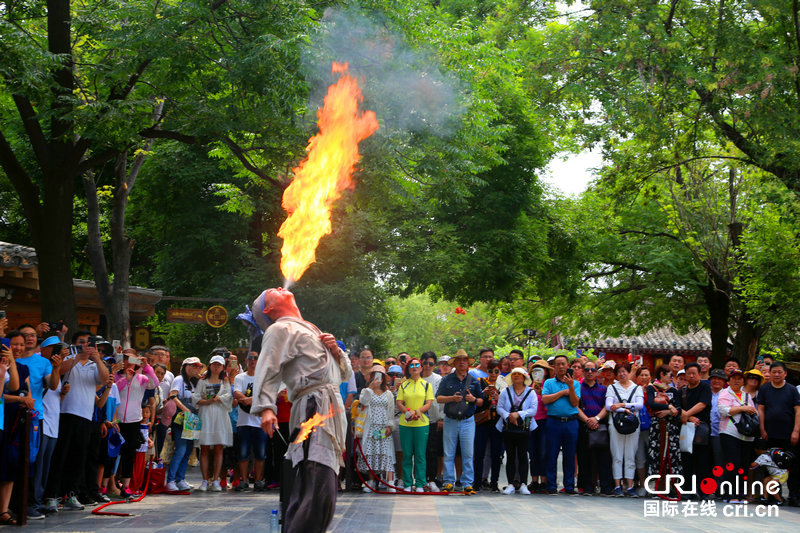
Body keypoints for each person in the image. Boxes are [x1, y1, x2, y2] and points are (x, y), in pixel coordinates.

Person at [251, 288, 351, 533]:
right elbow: (268, 366)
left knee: (320, 479)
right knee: (317, 478)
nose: (279, 287)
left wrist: (337, 352)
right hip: (313, 406)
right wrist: (266, 407)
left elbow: (344, 374)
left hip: (329, 404)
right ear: (268, 309)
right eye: (270, 292)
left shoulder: (311, 327)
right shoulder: (279, 328)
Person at [46, 332, 109, 510]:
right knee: (61, 456)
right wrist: (77, 356)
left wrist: (96, 359)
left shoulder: (95, 364)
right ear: (74, 344)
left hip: (85, 416)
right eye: (82, 342)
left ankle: (71, 494)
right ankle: (52, 495)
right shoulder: (69, 359)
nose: (86, 346)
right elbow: (62, 371)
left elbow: (104, 380)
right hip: (66, 413)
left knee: (79, 457)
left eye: (89, 343)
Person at [436, 349, 484, 494]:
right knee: (448, 452)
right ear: (455, 363)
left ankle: (467, 483)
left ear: (467, 363)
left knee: (468, 453)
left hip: (468, 420)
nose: (462, 362)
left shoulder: (474, 381)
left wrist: (473, 400)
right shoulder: (446, 379)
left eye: (464, 360)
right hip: (450, 419)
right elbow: (438, 398)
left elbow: (481, 401)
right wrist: (451, 398)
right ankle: (448, 481)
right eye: (459, 360)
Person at [114, 349, 158, 498]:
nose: (129, 363)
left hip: (134, 420)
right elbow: (114, 390)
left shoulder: (141, 378)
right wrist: (125, 378)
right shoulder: (116, 376)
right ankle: (107, 484)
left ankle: (126, 486)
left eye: (133, 360)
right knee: (112, 453)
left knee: (129, 453)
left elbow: (154, 384)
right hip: (117, 420)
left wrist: (147, 367)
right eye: (127, 360)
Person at [756, 361, 800, 506]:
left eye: (779, 372)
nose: (776, 374)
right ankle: (772, 496)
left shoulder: (792, 390)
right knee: (771, 466)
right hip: (770, 434)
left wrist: (796, 430)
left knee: (792, 466)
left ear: (785, 374)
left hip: (788, 435)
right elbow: (761, 409)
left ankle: (794, 496)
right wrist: (762, 428)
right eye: (773, 371)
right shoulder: (764, 389)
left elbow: (798, 411)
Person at [193, 354, 233, 492]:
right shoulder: (203, 382)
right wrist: (208, 401)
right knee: (204, 448)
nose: (216, 367)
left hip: (220, 415)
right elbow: (196, 397)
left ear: (222, 367)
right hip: (206, 415)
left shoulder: (224, 382)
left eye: (219, 365)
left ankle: (215, 479)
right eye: (214, 364)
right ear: (210, 366)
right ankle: (205, 479)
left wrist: (218, 398)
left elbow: (228, 397)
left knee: (218, 448)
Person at [542, 355, 581, 494]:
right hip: (554, 422)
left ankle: (569, 486)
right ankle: (551, 486)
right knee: (551, 454)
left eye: (563, 364)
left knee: (570, 455)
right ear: (554, 367)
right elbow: (545, 399)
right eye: (558, 364)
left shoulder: (575, 384)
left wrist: (570, 387)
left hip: (571, 422)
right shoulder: (548, 383)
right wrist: (562, 392)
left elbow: (575, 403)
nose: (561, 367)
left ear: (567, 366)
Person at [717, 368, 757, 503]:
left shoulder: (747, 396)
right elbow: (723, 410)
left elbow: (753, 411)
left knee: (743, 465)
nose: (737, 380)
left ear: (743, 381)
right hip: (729, 433)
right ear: (728, 380)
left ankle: (740, 493)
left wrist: (748, 409)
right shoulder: (724, 393)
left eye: (739, 378)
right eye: (734, 378)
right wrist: (743, 408)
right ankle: (729, 494)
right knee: (731, 464)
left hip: (747, 435)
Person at [165, 357, 203, 492]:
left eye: (199, 366)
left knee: (188, 450)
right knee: (180, 449)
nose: (197, 368)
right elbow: (173, 395)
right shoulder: (179, 379)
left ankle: (180, 479)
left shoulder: (194, 383)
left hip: (192, 419)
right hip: (181, 418)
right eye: (194, 366)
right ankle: (170, 480)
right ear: (186, 366)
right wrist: (185, 409)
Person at [497, 367, 538, 494]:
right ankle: (510, 484)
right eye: (514, 374)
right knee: (510, 455)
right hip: (508, 427)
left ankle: (524, 483)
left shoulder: (530, 392)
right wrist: (509, 416)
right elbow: (500, 408)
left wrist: (518, 414)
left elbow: (533, 410)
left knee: (523, 455)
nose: (516, 377)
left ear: (524, 378)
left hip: (524, 428)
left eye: (519, 375)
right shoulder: (505, 391)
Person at [396, 357, 433, 492]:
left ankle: (420, 483)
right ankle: (407, 483)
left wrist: (416, 412)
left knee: (420, 455)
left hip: (421, 424)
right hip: (405, 423)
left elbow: (428, 403)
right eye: (412, 365)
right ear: (408, 369)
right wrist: (408, 413)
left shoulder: (427, 385)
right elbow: (399, 402)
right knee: (406, 454)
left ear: (422, 368)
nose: (415, 367)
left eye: (417, 365)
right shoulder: (403, 385)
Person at [605, 363, 643, 497]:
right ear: (617, 374)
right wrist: (625, 409)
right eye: (619, 372)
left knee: (630, 455)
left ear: (629, 372)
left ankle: (630, 485)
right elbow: (609, 406)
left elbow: (640, 405)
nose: (622, 374)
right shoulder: (612, 388)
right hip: (616, 424)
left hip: (632, 424)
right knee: (617, 454)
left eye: (624, 371)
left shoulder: (637, 388)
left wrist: (622, 405)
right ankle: (617, 486)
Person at [233, 351, 269, 492]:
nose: (253, 360)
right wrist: (248, 399)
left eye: (255, 358)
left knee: (260, 453)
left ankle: (259, 480)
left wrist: (249, 400)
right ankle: (244, 480)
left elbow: (265, 395)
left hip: (260, 421)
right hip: (244, 421)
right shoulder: (240, 377)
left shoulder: (264, 378)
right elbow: (236, 393)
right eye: (250, 358)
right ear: (246, 360)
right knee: (243, 453)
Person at [577, 359, 613, 497]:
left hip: (600, 426)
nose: (590, 372)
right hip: (584, 425)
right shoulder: (578, 388)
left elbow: (607, 407)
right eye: (586, 369)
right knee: (584, 458)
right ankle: (587, 487)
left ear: (597, 372)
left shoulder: (604, 389)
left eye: (593, 370)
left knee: (604, 458)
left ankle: (606, 487)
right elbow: (576, 406)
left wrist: (596, 419)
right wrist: (587, 420)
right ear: (583, 371)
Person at [358, 368, 397, 492]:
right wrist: (370, 387)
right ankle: (371, 481)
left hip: (383, 426)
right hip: (370, 426)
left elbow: (391, 410)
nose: (378, 378)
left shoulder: (388, 393)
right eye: (375, 375)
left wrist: (390, 425)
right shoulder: (366, 391)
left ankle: (390, 481)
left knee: (387, 453)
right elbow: (363, 402)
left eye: (380, 375)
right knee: (371, 453)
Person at [645, 365, 683, 484]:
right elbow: (651, 403)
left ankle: (672, 485)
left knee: (672, 455)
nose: (672, 378)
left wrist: (668, 411)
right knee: (655, 453)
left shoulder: (673, 390)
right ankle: (655, 484)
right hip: (656, 425)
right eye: (670, 375)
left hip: (671, 426)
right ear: (662, 374)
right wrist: (668, 406)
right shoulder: (651, 388)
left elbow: (679, 408)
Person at [680, 362, 712, 496]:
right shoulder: (682, 390)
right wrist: (687, 416)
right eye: (689, 373)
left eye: (694, 373)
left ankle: (703, 490)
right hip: (686, 428)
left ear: (700, 374)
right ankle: (688, 490)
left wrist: (687, 414)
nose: (692, 376)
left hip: (701, 428)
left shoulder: (705, 387)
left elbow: (703, 404)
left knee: (702, 460)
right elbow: (676, 407)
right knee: (687, 459)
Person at [474, 359, 505, 492]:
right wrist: (484, 394)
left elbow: (508, 404)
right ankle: (477, 481)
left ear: (500, 371)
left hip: (497, 422)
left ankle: (494, 482)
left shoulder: (503, 384)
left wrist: (499, 397)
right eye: (491, 371)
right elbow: (475, 401)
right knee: (479, 452)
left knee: (496, 453)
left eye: (496, 371)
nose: (493, 374)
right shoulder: (480, 382)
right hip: (483, 421)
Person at [0, 332, 21, 525]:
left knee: (6, 465)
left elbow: (14, 385)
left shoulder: (4, 364)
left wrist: (11, 362)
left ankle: (3, 511)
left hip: (2, 422)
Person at [527, 359, 552, 493]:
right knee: (532, 452)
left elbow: (550, 403)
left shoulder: (548, 385)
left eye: (541, 370)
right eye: (535, 370)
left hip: (544, 421)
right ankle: (534, 480)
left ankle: (544, 481)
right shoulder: (528, 386)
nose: (538, 373)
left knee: (543, 452)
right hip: (531, 422)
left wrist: (541, 392)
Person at [420, 351, 443, 491]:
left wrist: (441, 418)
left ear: (435, 365)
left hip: (434, 419)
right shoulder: (414, 377)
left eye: (431, 363)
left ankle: (432, 479)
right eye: (425, 363)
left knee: (432, 451)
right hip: (417, 420)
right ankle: (420, 480)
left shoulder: (438, 379)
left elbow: (441, 402)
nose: (427, 366)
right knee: (419, 452)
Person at [634, 368, 652, 492]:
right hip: (636, 427)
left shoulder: (655, 389)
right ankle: (642, 485)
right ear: (637, 377)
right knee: (639, 456)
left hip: (651, 427)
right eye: (641, 375)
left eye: (646, 375)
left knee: (653, 456)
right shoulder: (633, 389)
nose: (644, 377)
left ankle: (654, 484)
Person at [708, 368, 727, 472]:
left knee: (719, 461)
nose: (716, 381)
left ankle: (719, 485)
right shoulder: (706, 392)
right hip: (705, 431)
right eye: (714, 378)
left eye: (719, 379)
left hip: (719, 433)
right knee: (706, 460)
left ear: (724, 381)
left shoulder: (727, 394)